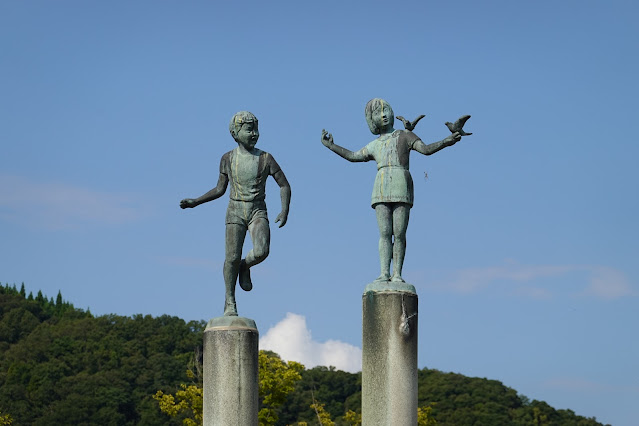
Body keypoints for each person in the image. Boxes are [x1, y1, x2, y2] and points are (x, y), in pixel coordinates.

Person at [321, 98, 463, 283]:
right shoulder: (374, 145)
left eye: (386, 110)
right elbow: (353, 156)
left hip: (401, 184)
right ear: (372, 120)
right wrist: (332, 146)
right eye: (378, 113)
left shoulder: (405, 136)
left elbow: (426, 150)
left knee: (400, 233)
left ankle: (397, 274)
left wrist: (446, 141)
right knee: (385, 233)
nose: (384, 115)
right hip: (380, 187)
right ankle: (384, 273)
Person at [181, 111, 291, 316]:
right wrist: (195, 201)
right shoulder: (227, 158)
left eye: (256, 129)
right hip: (235, 211)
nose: (254, 134)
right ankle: (229, 301)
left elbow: (284, 185)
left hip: (257, 209)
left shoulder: (266, 158)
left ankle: (244, 266)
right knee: (231, 257)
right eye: (249, 130)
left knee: (261, 251)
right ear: (235, 133)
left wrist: (284, 210)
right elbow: (219, 189)